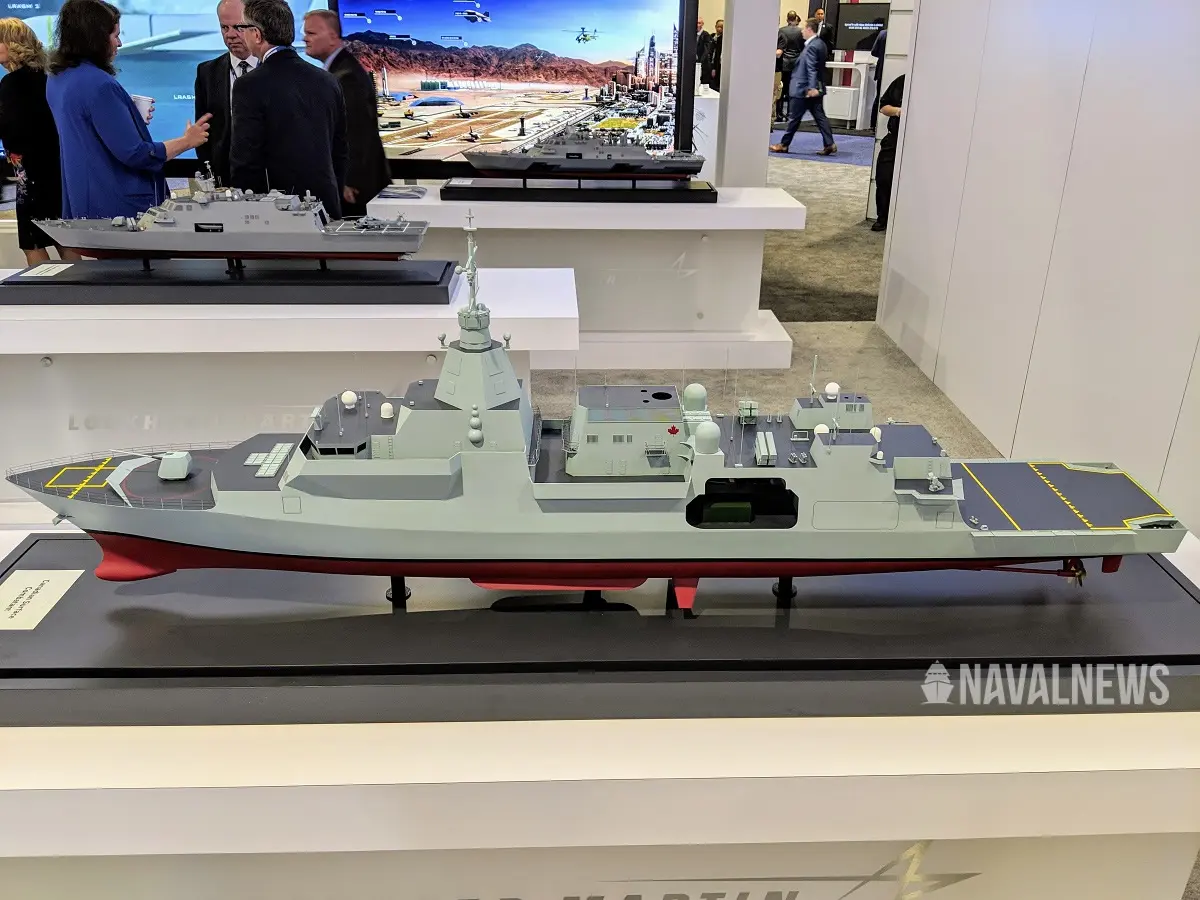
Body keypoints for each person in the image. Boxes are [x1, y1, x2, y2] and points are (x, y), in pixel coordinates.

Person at [46, 0, 211, 219]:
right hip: (117, 209)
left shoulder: (57, 79)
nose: (120, 43)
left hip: (83, 201)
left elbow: (88, 130)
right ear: (95, 38)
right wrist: (187, 141)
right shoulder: (100, 85)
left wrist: (126, 115)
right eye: (115, 36)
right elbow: (136, 154)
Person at [229, 0, 348, 217]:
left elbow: (246, 162)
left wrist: (245, 214)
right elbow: (340, 153)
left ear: (257, 34)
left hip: (279, 213)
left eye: (242, 27)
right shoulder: (328, 80)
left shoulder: (249, 85)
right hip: (327, 207)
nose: (240, 34)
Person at [0, 17, 75, 264]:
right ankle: (80, 286)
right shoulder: (48, 77)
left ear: (13, 43)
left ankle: (44, 287)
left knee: (31, 241)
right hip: (56, 171)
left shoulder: (12, 83)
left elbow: (13, 129)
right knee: (64, 238)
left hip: (32, 175)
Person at [302, 9, 389, 216]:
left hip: (355, 189)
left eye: (311, 33)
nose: (305, 39)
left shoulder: (346, 77)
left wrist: (348, 180)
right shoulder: (338, 70)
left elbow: (356, 131)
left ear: (333, 37)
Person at [194, 0, 257, 186]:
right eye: (224, 27)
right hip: (224, 180)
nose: (230, 34)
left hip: (271, 179)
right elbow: (204, 131)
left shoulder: (274, 69)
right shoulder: (207, 72)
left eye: (238, 27)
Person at [770, 17, 836, 157]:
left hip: (803, 89)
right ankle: (829, 143)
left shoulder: (812, 46)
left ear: (810, 29)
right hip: (814, 88)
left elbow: (811, 68)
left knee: (794, 118)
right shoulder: (820, 44)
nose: (802, 31)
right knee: (820, 117)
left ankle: (784, 144)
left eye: (804, 28)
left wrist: (811, 87)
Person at [872, 73, 903, 232]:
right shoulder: (902, 81)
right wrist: (898, 111)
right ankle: (882, 217)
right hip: (894, 138)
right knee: (884, 178)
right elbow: (883, 107)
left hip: (923, 143)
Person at [775, 10, 804, 124]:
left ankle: (779, 113)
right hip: (796, 63)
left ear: (787, 19)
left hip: (783, 63)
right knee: (793, 90)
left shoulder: (781, 31)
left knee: (780, 90)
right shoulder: (801, 31)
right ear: (796, 18)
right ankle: (790, 114)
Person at [869, 27, 886, 129]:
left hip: (881, 70)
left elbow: (874, 52)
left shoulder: (883, 34)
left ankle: (873, 125)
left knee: (879, 97)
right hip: (892, 69)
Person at [707, 19, 723, 91]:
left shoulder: (723, 39)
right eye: (718, 26)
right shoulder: (711, 36)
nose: (720, 29)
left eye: (722, 27)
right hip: (708, 63)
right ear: (715, 26)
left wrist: (714, 68)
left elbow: (717, 55)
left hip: (717, 65)